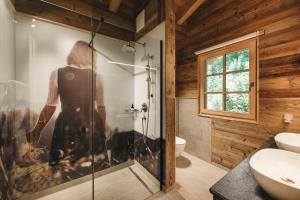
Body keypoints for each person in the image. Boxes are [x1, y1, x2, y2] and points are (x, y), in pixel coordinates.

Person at [25, 41, 109, 170]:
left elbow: (50, 106)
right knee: (95, 168)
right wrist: (102, 130)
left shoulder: (57, 74)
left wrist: (37, 130)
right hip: (92, 125)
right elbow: (101, 108)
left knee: (63, 169)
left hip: (66, 124)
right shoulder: (96, 76)